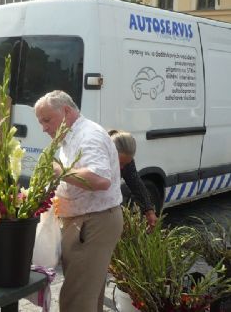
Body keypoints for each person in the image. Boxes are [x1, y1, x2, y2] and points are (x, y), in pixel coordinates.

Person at [34, 90, 123, 312]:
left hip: (92, 223)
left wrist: (60, 171)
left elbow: (100, 179)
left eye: (46, 120)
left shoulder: (88, 135)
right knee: (87, 295)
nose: (43, 127)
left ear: (66, 111)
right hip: (86, 221)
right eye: (40, 121)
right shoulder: (71, 135)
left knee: (77, 300)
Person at [108, 130, 158, 229]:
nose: (122, 168)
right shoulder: (96, 158)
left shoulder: (126, 161)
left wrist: (149, 210)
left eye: (126, 163)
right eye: (120, 163)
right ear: (109, 152)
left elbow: (135, 183)